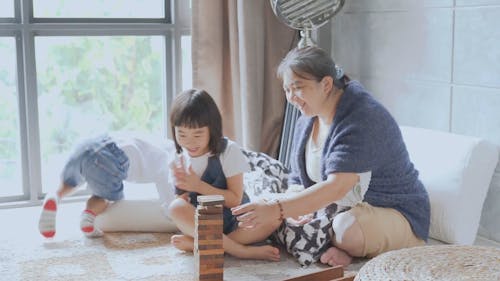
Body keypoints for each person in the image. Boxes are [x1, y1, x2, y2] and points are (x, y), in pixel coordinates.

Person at [232, 46, 430, 266]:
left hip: (394, 211)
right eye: (287, 89)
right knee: (271, 206)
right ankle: (216, 242)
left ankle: (348, 248)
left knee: (345, 231)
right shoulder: (308, 117)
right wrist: (291, 207)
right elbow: (298, 179)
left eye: (298, 88)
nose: (291, 98)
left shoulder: (362, 118)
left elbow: (337, 187)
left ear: (326, 84)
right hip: (338, 205)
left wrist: (280, 208)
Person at [166, 88, 281, 261]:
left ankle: (200, 244)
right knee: (175, 207)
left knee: (276, 216)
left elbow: (235, 199)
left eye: (198, 134)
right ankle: (240, 250)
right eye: (181, 134)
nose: (189, 142)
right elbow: (182, 204)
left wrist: (198, 186)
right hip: (202, 224)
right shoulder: (178, 159)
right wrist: (182, 195)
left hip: (236, 222)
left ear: (212, 129)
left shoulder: (228, 151)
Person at [38, 132, 176, 238]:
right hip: (111, 158)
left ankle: (54, 197)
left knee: (70, 181)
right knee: (104, 197)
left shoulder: (157, 142)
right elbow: (165, 186)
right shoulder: (170, 159)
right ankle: (88, 218)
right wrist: (172, 213)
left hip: (92, 142)